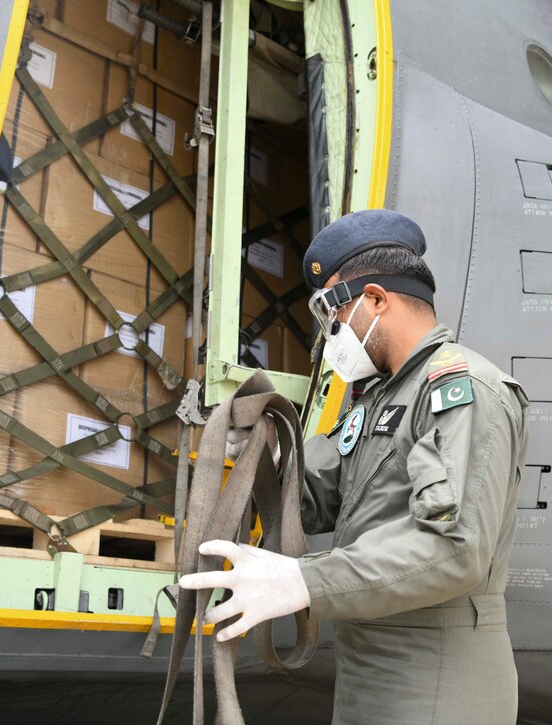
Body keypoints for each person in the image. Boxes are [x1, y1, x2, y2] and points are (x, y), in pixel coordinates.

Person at [180, 209, 530, 724]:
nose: (331, 336)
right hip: (369, 669)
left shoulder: (463, 391)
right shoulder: (377, 399)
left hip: (435, 681)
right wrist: (264, 453)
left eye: (333, 318)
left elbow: (453, 550)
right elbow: (320, 498)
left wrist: (303, 582)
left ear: (374, 299)